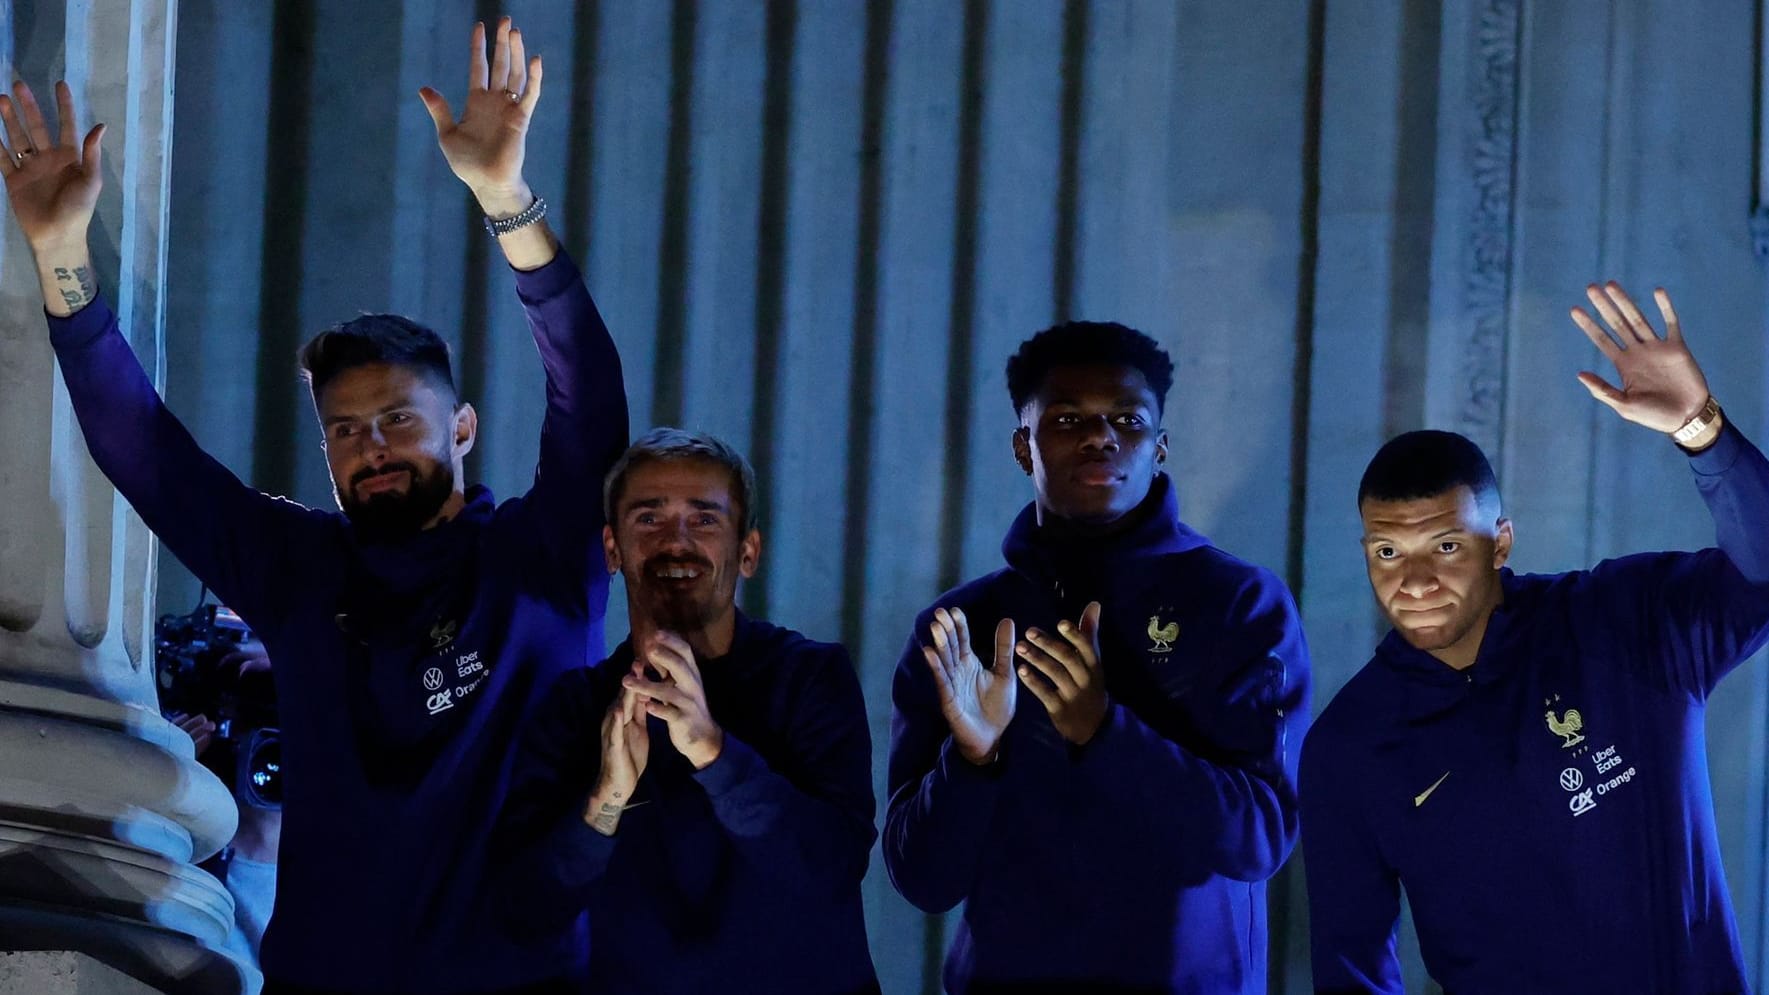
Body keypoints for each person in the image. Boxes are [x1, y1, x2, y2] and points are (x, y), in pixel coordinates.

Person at [0, 16, 627, 994]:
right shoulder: (297, 568)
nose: (370, 446)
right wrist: (61, 260)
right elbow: (143, 450)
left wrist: (507, 202)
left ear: (461, 428)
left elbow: (589, 396)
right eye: (344, 429)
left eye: (397, 420)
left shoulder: (540, 560)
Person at [1300, 282, 1769, 993]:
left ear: (1501, 543)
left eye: (1447, 546)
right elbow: (1349, 965)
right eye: (1387, 553)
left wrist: (1701, 431)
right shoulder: (1351, 744)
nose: (1414, 580)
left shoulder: (1623, 619)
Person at [883, 322, 1311, 993]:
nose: (1099, 436)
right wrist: (971, 761)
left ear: (1160, 444)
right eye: (1065, 417)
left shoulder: (1239, 604)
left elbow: (1257, 836)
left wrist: (1102, 731)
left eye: (1126, 419)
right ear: (1023, 447)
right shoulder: (963, 627)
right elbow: (923, 880)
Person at [494, 429, 879, 994]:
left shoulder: (809, 678)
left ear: (747, 553)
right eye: (648, 519)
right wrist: (605, 803)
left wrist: (715, 755)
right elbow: (528, 911)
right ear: (611, 549)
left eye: (704, 520)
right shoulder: (575, 707)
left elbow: (832, 868)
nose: (676, 541)